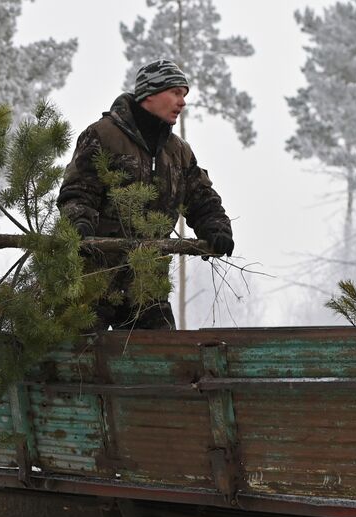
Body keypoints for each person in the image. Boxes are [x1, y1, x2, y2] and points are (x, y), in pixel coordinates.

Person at [57, 59, 234, 331]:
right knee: (74, 365)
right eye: (176, 92)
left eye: (184, 95)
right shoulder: (102, 135)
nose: (183, 102)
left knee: (165, 363)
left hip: (147, 288)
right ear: (150, 93)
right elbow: (77, 193)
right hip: (93, 282)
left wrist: (217, 228)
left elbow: (203, 200)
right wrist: (79, 225)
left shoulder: (178, 152)